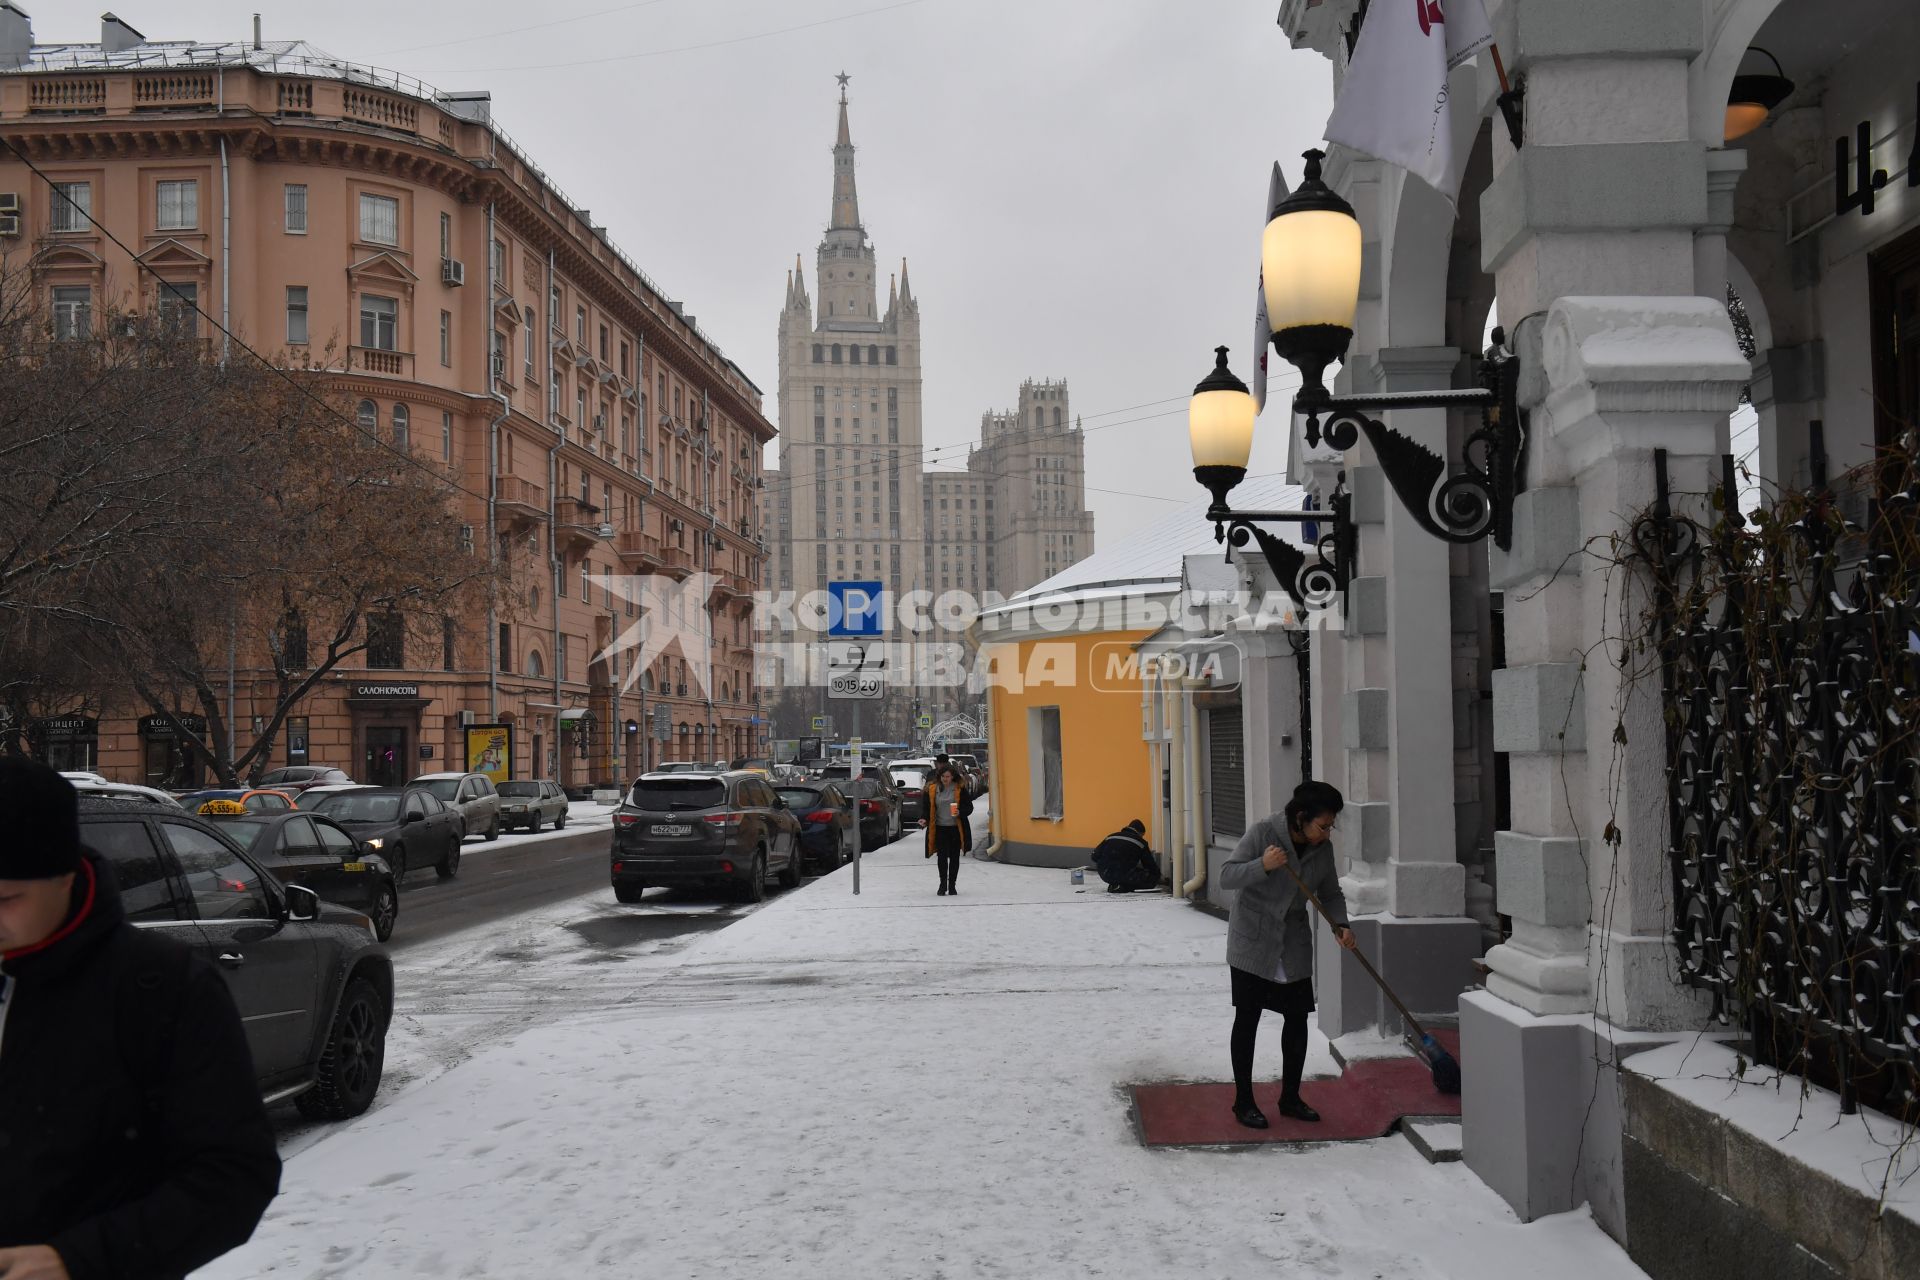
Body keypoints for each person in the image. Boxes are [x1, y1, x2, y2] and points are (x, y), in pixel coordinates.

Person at [0, 758, 281, 1280]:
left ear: (65, 877)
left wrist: (76, 1261)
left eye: (6, 900)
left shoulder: (162, 988)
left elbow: (236, 1174)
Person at [1216, 780, 1359, 1128]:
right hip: (1253, 941)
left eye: (1330, 826)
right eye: (1322, 825)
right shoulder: (1264, 832)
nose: (1326, 833)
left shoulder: (1321, 850)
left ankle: (1291, 1098)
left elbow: (1331, 891)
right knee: (1247, 1019)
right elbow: (1226, 876)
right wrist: (1262, 865)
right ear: (1300, 817)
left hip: (1292, 944)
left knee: (1296, 1020)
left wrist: (1340, 923)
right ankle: (1243, 1102)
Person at [920, 763, 973, 896]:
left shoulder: (959, 788)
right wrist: (924, 819)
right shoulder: (932, 789)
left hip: (955, 828)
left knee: (954, 857)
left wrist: (960, 812)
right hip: (939, 828)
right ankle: (943, 884)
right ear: (939, 777)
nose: (945, 779)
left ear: (953, 777)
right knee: (942, 857)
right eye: (943, 776)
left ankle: (952, 885)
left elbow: (969, 807)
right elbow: (927, 808)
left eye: (948, 776)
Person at [1092, 819, 1162, 893]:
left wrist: (1108, 863)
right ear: (1139, 832)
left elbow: (1094, 856)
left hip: (1105, 873)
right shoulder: (1140, 842)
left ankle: (1116, 884)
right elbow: (1150, 865)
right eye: (1142, 835)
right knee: (1151, 880)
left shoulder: (1111, 836)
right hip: (1124, 874)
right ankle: (1123, 886)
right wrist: (1157, 876)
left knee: (1125, 873)